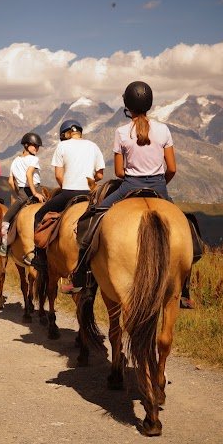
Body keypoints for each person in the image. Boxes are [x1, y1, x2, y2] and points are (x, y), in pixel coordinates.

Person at [61, 80, 176, 294]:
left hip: (129, 186)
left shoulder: (122, 132)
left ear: (127, 105)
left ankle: (79, 276)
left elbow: (120, 172)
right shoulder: (164, 130)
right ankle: (184, 289)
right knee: (187, 226)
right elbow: (172, 168)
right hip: (159, 186)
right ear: (149, 103)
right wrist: (159, 185)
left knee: (90, 220)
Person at [27, 120, 105, 269]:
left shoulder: (62, 146)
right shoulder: (93, 146)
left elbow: (58, 175)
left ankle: (40, 256)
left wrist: (68, 185)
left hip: (69, 193)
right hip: (89, 194)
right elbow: (100, 175)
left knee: (39, 215)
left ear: (66, 134)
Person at [0, 132, 44, 256]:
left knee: (6, 219)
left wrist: (18, 194)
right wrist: (35, 193)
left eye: (38, 146)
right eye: (34, 145)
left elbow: (10, 181)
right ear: (26, 145)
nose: (36, 148)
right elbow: (29, 174)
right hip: (36, 190)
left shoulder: (15, 161)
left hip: (21, 195)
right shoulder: (34, 159)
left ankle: (4, 247)